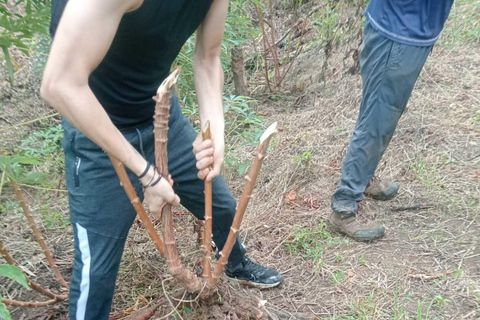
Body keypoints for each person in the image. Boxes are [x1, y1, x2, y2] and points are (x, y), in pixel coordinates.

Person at [41, 0, 283, 319]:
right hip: (96, 132)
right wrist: (148, 175)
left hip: (160, 116)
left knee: (221, 206)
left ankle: (235, 263)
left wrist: (215, 134)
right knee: (96, 270)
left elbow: (209, 57)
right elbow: (58, 85)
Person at [329, 0, 454, 242]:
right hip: (398, 29)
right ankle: (344, 207)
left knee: (382, 115)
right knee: (377, 119)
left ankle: (362, 179)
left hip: (411, 29)